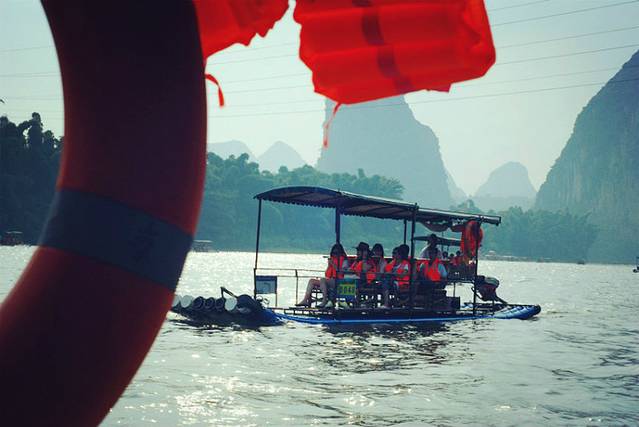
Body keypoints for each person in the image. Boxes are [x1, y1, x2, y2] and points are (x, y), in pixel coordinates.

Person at [296, 243, 348, 308]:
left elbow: (342, 272)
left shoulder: (344, 261)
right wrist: (329, 265)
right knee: (312, 281)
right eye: (333, 253)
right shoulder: (332, 260)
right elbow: (327, 274)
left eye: (336, 253)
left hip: (338, 281)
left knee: (323, 280)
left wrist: (333, 265)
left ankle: (324, 300)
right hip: (330, 280)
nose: (334, 255)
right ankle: (305, 300)